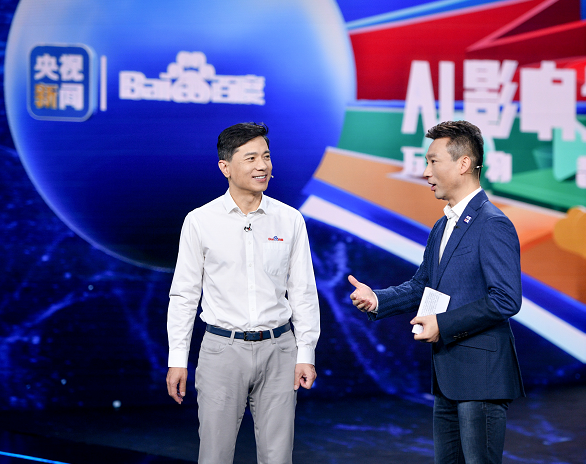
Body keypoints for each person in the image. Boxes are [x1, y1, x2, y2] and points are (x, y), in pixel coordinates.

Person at [349, 120, 524, 464]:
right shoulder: (443, 225)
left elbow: (505, 298)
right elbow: (422, 286)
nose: (425, 172)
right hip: (448, 377)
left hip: (481, 378)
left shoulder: (493, 223)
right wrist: (378, 299)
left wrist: (442, 325)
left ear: (463, 164)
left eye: (433, 161)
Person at [166, 122, 320, 464]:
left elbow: (303, 291)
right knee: (215, 455)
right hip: (222, 350)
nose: (262, 166)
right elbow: (184, 295)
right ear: (225, 167)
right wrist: (177, 358)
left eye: (266, 156)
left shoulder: (290, 219)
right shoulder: (200, 221)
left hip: (279, 350)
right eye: (250, 158)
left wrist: (305, 352)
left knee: (278, 457)